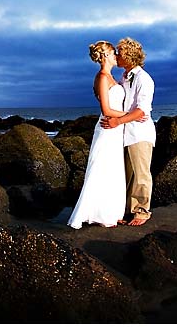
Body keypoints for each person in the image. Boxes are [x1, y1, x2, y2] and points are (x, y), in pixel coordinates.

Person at [67, 41, 128, 229]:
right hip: (108, 128)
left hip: (116, 129)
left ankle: (111, 212)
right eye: (113, 53)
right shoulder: (102, 77)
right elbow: (106, 109)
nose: (116, 55)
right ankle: (100, 214)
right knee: (102, 168)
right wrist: (130, 116)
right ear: (106, 56)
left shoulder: (111, 77)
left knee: (113, 169)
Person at [101, 37, 155, 226]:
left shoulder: (144, 79)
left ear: (129, 57)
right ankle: (126, 210)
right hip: (124, 133)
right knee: (127, 174)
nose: (116, 55)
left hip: (140, 133)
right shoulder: (124, 77)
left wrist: (117, 121)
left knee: (141, 174)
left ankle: (142, 211)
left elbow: (142, 110)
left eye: (119, 53)